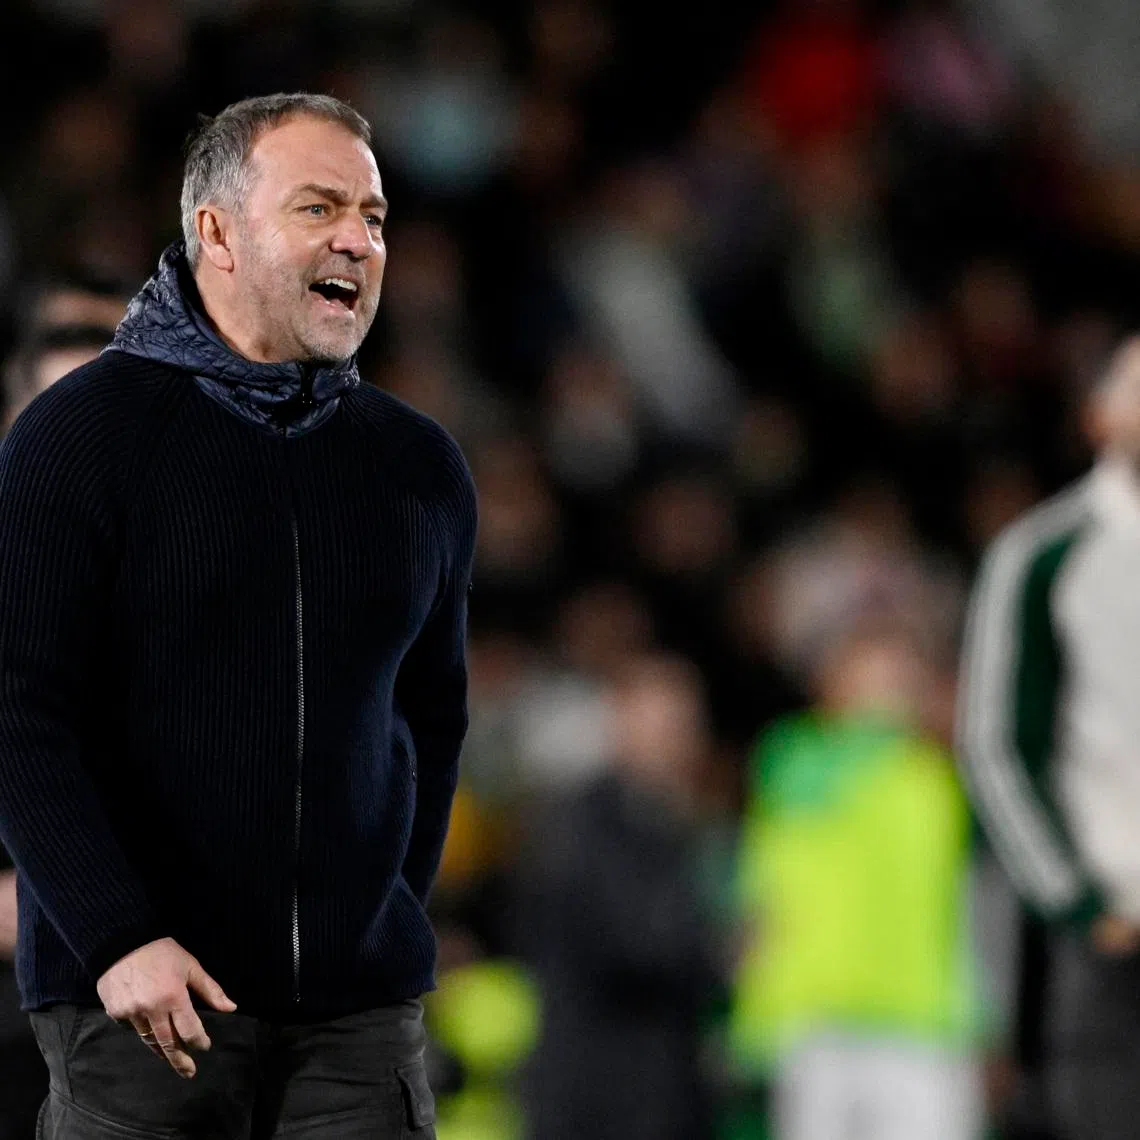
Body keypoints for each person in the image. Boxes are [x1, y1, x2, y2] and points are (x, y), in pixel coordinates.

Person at [0, 92, 476, 1138]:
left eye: (376, 216)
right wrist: (116, 936)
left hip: (357, 1020)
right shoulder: (74, 440)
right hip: (139, 1005)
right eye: (319, 208)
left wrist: (378, 914)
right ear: (215, 230)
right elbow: (20, 713)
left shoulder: (416, 467)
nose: (359, 239)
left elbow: (431, 719)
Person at [957, 333, 1140, 1140]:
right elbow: (996, 744)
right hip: (1120, 941)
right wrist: (1077, 902)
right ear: (1099, 415)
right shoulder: (1045, 555)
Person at [730, 621, 984, 1140]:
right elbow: (767, 884)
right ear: (831, 683)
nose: (884, 692)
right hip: (820, 1016)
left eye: (897, 678)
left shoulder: (935, 777)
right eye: (870, 676)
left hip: (919, 1015)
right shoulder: (794, 763)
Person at [514, 651, 724, 1140]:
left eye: (681, 725)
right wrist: (723, 955)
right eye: (659, 724)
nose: (671, 740)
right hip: (594, 1091)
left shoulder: (680, 822)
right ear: (619, 720)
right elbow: (633, 943)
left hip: (663, 1088)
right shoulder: (583, 822)